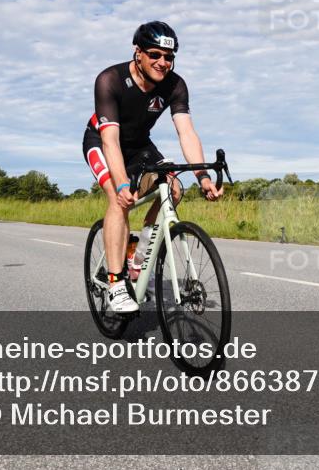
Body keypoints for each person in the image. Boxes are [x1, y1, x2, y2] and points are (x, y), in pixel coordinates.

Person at [83, 21, 223, 313]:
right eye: (155, 55)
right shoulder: (110, 79)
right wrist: (122, 184)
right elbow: (110, 141)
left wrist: (203, 176)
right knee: (119, 200)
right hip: (103, 140)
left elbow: (186, 132)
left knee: (173, 187)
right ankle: (115, 283)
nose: (163, 63)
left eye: (169, 57)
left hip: (139, 144)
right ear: (138, 52)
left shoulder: (175, 84)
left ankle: (139, 256)